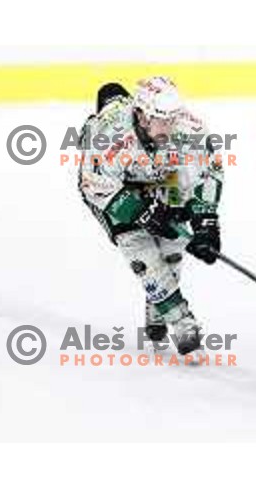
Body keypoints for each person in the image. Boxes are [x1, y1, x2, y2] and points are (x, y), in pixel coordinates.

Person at [79, 78, 224, 355]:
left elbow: (208, 173)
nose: (170, 126)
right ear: (142, 116)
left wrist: (205, 223)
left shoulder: (188, 127)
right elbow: (93, 185)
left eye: (173, 118)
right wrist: (140, 211)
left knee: (171, 248)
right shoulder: (108, 137)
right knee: (142, 254)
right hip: (113, 188)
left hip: (159, 174)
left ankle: (158, 300)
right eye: (162, 119)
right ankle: (182, 322)